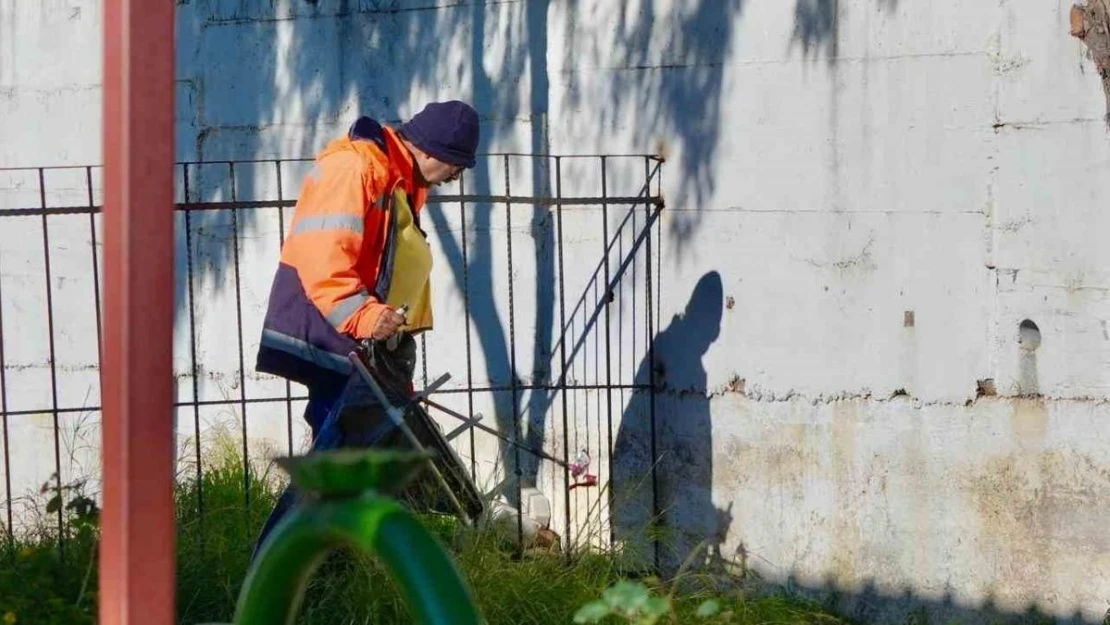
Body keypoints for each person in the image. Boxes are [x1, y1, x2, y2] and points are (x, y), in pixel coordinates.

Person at [250, 100, 481, 555]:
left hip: (370, 346)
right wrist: (368, 318)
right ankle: (272, 575)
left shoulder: (399, 179)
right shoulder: (356, 169)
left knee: (349, 469)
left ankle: (323, 573)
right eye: (458, 167)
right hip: (342, 339)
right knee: (335, 465)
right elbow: (324, 260)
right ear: (436, 152)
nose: (457, 178)